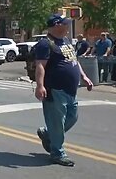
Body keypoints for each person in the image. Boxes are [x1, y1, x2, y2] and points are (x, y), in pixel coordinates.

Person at [35, 14, 93, 167]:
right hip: (55, 90)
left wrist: (84, 76)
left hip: (71, 89)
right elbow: (40, 66)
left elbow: (74, 60)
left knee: (72, 117)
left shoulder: (66, 41)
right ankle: (57, 153)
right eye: (65, 24)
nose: (68, 27)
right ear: (56, 25)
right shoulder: (45, 43)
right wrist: (40, 86)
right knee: (57, 124)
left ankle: (47, 134)